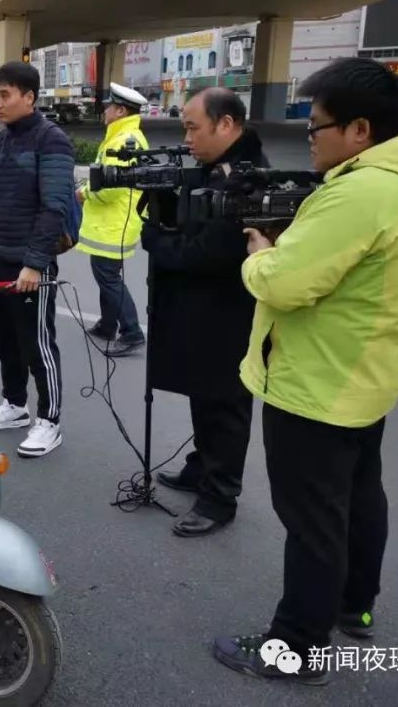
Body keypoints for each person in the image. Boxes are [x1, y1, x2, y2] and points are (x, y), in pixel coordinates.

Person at [213, 58, 398, 684]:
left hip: (316, 384)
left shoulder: (361, 192)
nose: (310, 137)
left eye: (317, 126)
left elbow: (287, 284)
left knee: (313, 521)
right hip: (367, 377)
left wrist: (261, 252)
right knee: (359, 500)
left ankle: (297, 646)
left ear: (360, 129)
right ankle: (355, 607)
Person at [143, 87, 266, 536]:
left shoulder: (246, 178)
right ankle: (201, 467)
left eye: (193, 127)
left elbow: (207, 253)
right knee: (204, 395)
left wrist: (156, 239)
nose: (187, 137)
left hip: (228, 315)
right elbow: (196, 223)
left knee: (225, 406)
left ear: (227, 125)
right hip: (206, 313)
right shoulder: (215, 171)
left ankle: (219, 498)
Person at [0, 61, 74, 459]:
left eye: (5, 95)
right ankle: (15, 404)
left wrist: (35, 262)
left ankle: (50, 420)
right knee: (5, 340)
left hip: (31, 265)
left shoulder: (52, 141)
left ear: (29, 97)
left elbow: (54, 207)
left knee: (37, 344)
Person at [75, 82, 149, 356]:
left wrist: (84, 194)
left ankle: (131, 332)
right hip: (112, 222)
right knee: (105, 273)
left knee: (107, 276)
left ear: (119, 110)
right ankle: (108, 325)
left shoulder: (124, 140)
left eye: (108, 106)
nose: (104, 111)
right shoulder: (124, 136)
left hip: (114, 222)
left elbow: (111, 187)